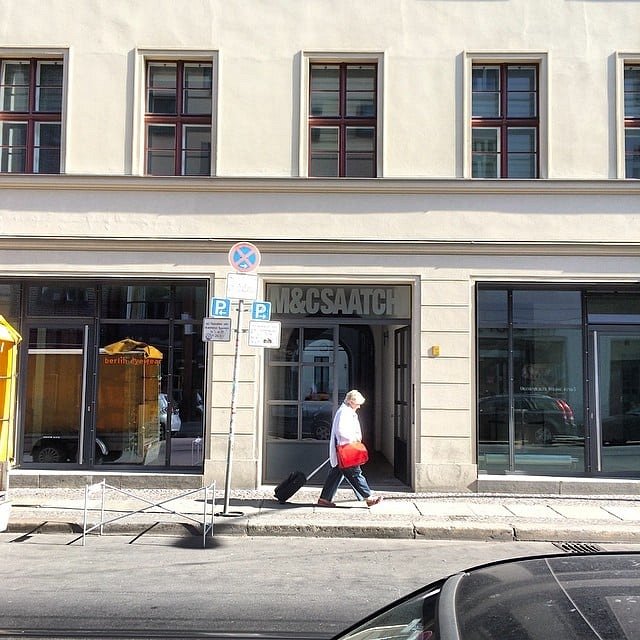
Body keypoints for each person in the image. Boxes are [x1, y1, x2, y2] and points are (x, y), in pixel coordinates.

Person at [317, 389, 383, 508]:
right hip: (347, 448)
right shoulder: (345, 412)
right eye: (358, 404)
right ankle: (368, 497)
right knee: (355, 473)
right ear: (351, 402)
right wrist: (354, 439)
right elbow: (341, 431)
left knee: (336, 473)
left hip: (343, 449)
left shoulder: (345, 411)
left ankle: (324, 499)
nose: (359, 406)